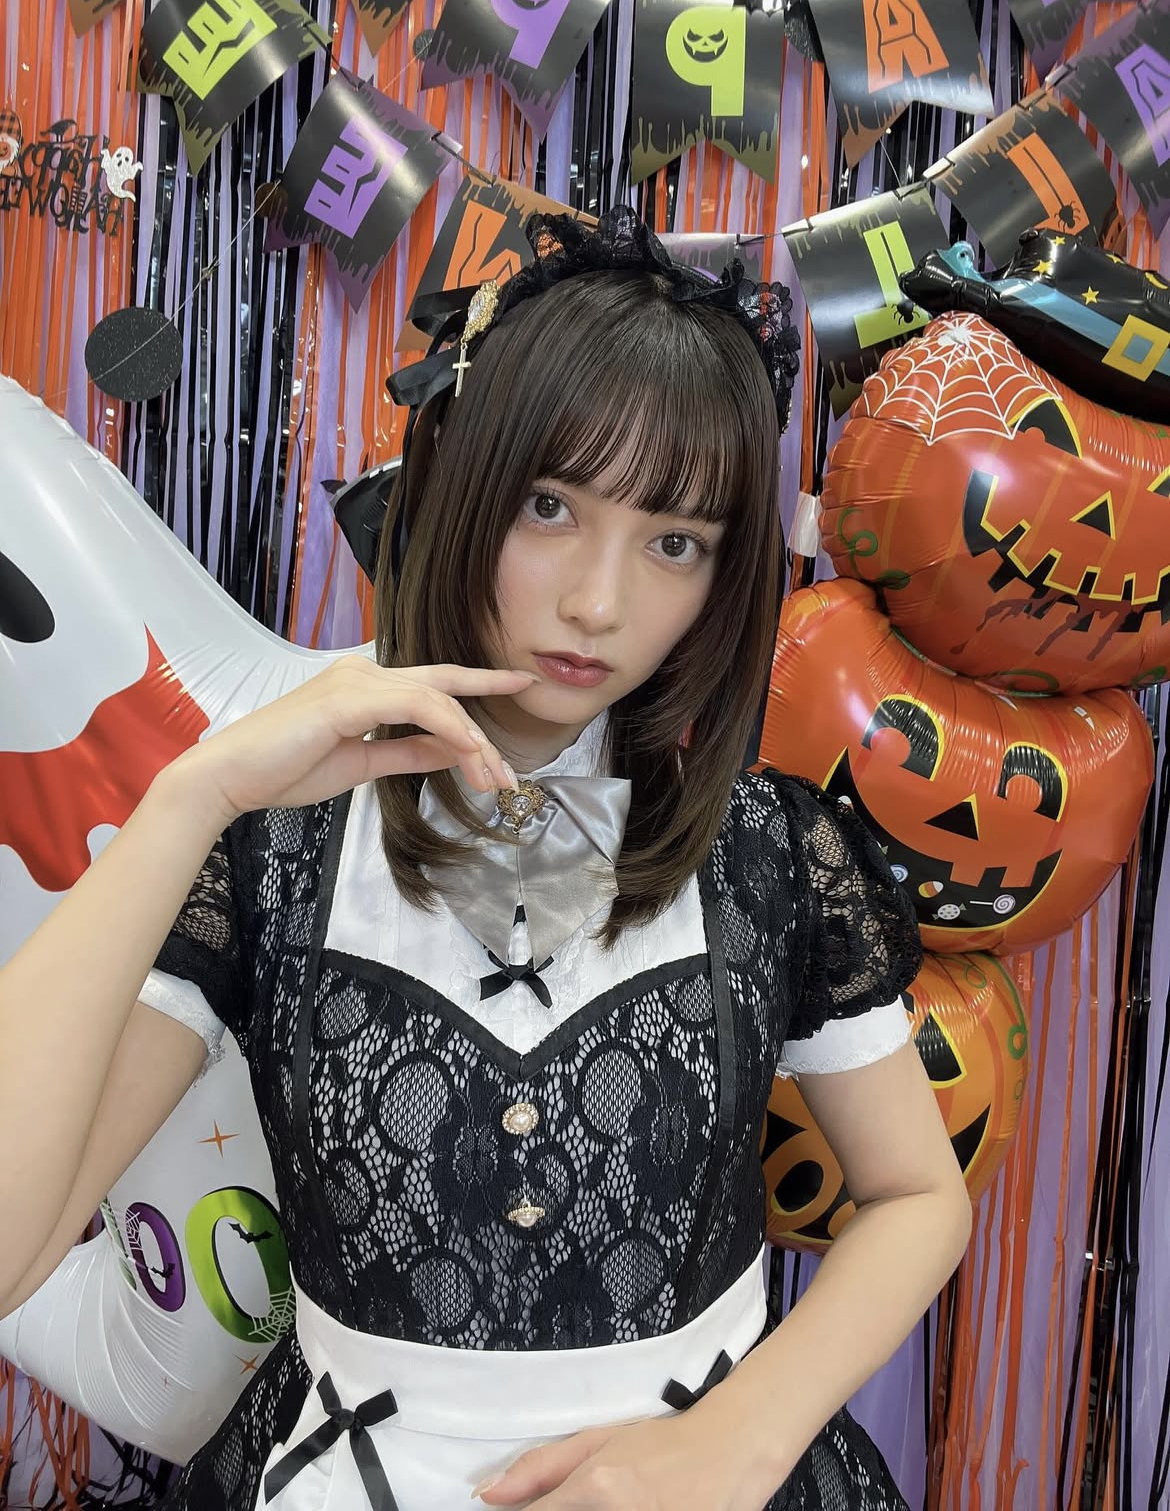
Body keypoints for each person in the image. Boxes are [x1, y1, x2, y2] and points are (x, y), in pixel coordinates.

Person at [0, 206, 972, 1510]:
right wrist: (190, 796)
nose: (597, 603)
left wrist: (738, 1441)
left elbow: (917, 1194)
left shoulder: (771, 859)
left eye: (674, 542)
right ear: (463, 485)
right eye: (549, 506)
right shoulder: (273, 855)